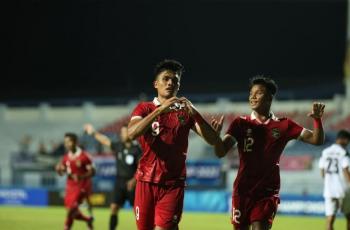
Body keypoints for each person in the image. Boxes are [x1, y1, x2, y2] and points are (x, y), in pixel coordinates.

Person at [211, 76, 325, 230]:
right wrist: (216, 138)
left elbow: (316, 140)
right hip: (242, 191)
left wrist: (317, 120)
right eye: (251, 93)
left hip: (267, 192)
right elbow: (220, 152)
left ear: (269, 98)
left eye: (258, 93)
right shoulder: (240, 123)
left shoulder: (284, 125)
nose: (252, 96)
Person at [127, 59, 221, 230]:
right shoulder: (144, 108)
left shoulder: (185, 111)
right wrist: (160, 110)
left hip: (173, 184)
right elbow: (132, 133)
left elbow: (213, 140)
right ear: (156, 83)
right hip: (146, 182)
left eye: (175, 80)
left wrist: (197, 113)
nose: (171, 82)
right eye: (166, 79)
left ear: (179, 86)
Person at [84, 123, 142, 230]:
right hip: (119, 182)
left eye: (125, 132)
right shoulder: (118, 145)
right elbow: (105, 140)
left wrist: (134, 180)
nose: (123, 135)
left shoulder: (137, 149)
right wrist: (93, 132)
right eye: (122, 133)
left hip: (133, 184)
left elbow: (141, 167)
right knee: (114, 207)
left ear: (130, 133)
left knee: (137, 212)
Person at [55, 133, 95, 230]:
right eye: (65, 142)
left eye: (69, 142)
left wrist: (81, 176)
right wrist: (59, 170)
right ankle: (88, 219)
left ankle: (66, 228)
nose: (67, 144)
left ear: (75, 142)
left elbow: (93, 172)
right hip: (70, 187)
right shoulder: (66, 157)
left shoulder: (84, 156)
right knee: (71, 210)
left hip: (82, 186)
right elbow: (63, 172)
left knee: (72, 209)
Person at [320, 130, 350, 230]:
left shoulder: (325, 152)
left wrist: (329, 181)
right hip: (343, 189)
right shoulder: (344, 153)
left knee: (330, 219)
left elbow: (322, 171)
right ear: (344, 140)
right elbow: (345, 169)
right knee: (349, 216)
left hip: (329, 190)